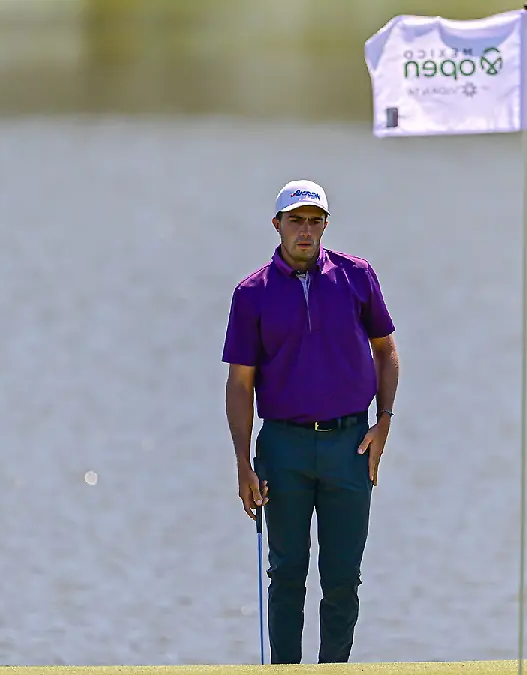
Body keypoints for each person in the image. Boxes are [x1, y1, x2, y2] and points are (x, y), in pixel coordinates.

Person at [222, 179, 400, 664]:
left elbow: (385, 350)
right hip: (283, 447)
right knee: (287, 574)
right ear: (277, 224)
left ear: (325, 225)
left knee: (343, 577)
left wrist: (383, 423)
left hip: (350, 445)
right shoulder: (252, 293)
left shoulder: (356, 276)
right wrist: (243, 463)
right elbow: (240, 384)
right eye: (296, 220)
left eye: (314, 221)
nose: (306, 230)